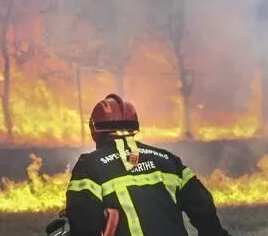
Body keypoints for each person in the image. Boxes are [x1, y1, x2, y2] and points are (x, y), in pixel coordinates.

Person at [65, 93, 232, 236]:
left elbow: (83, 220)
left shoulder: (89, 166)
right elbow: (202, 207)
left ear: (95, 130)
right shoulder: (167, 160)